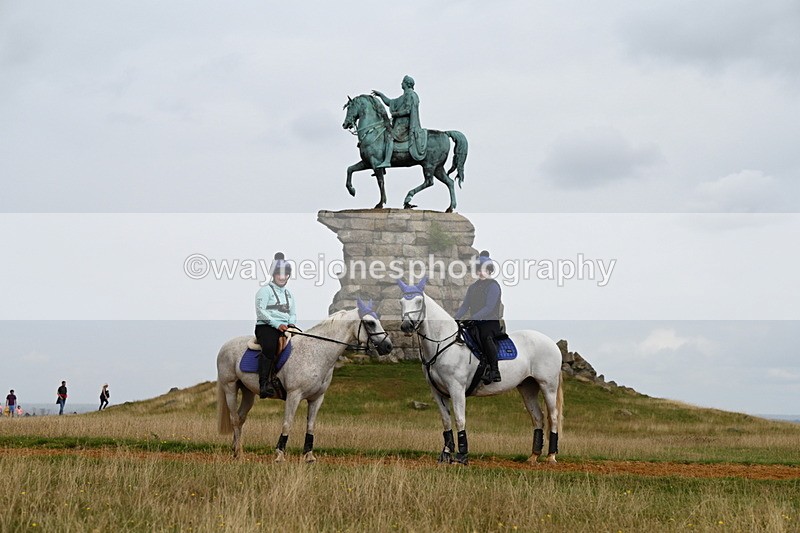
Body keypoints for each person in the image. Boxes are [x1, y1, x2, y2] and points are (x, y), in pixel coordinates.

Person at [454, 251, 504, 384]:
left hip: (489, 323)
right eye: (478, 270)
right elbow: (465, 306)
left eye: (484, 270)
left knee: (485, 337)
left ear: (489, 270)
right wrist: (455, 318)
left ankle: (494, 371)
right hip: (475, 322)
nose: (480, 272)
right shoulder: (472, 288)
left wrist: (473, 318)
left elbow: (489, 307)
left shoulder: (493, 286)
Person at [255, 252, 297, 399]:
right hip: (266, 327)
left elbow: (293, 313)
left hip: (286, 328)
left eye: (285, 274)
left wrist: (291, 323)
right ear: (274, 275)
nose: (282, 277)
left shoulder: (289, 294)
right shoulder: (264, 291)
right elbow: (261, 312)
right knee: (270, 347)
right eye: (279, 274)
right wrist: (277, 324)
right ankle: (264, 384)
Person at [372, 75, 427, 166]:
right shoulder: (404, 96)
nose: (401, 83)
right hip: (399, 124)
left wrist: (395, 114)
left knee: (390, 136)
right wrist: (381, 95)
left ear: (406, 84)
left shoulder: (411, 95)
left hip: (405, 125)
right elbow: (390, 102)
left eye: (403, 82)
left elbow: (408, 110)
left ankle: (387, 161)